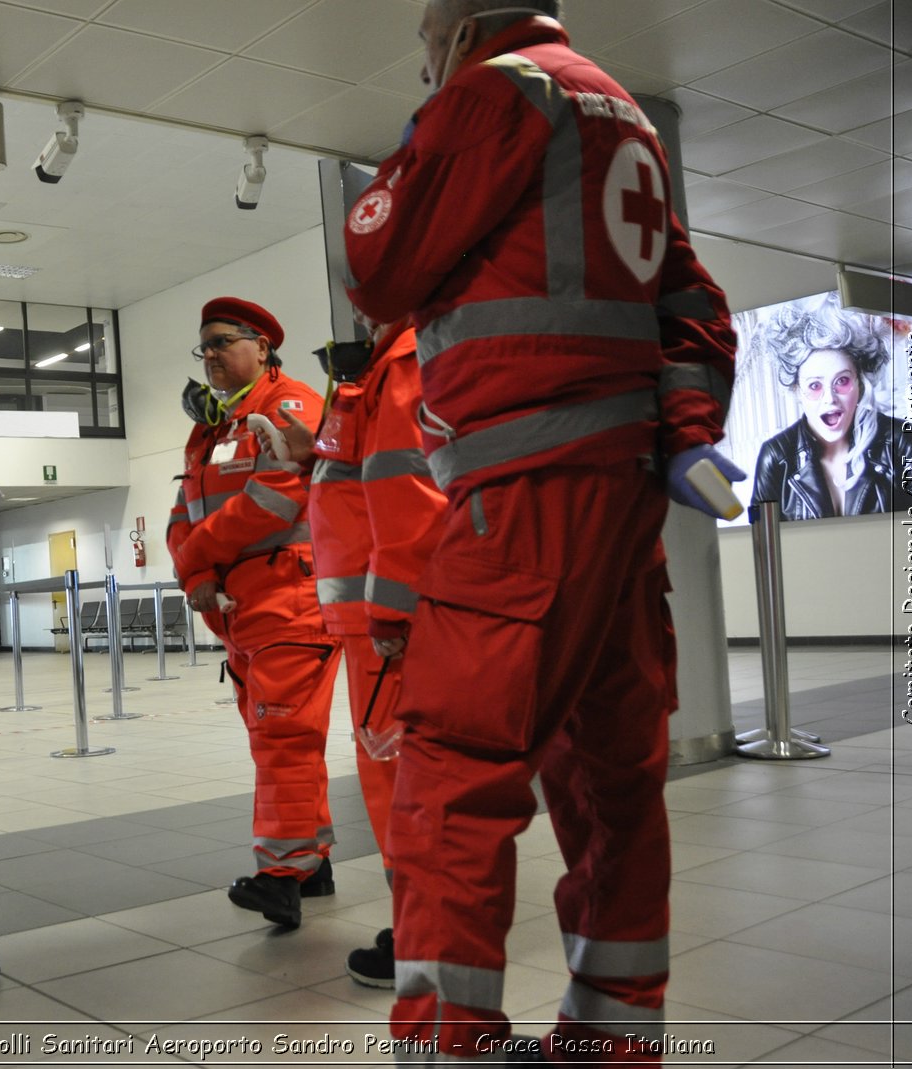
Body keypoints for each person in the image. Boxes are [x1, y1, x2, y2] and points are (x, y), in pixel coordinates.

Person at [342, 1, 740, 1061]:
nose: (423, 64)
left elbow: (376, 264)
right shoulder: (623, 118)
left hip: (522, 494)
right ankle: (611, 1042)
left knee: (450, 778)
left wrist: (424, 128)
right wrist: (684, 434)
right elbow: (694, 305)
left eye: (425, 44)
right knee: (611, 781)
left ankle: (445, 1043)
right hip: (620, 505)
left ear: (462, 27)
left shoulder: (492, 90)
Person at [271, 324, 446, 986]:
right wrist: (309, 460)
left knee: (403, 777)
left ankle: (425, 935)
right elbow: (358, 482)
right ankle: (419, 923)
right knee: (389, 774)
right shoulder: (373, 370)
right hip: (368, 617)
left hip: (389, 621)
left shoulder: (404, 360)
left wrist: (395, 609)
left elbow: (408, 492)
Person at [166, 297, 343, 930]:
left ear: (262, 346)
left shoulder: (287, 406)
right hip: (238, 610)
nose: (210, 355)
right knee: (275, 737)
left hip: (290, 600)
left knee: (282, 736)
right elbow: (180, 514)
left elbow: (282, 491)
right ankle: (311, 862)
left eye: (222, 342)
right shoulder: (210, 429)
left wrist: (200, 555)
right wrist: (195, 570)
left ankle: (279, 876)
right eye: (204, 346)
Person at [752, 294, 912, 519]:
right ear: (797, 390)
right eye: (815, 385)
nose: (829, 398)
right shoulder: (775, 457)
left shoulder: (900, 440)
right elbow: (761, 543)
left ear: (859, 383)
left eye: (842, 381)